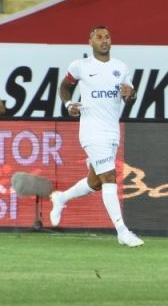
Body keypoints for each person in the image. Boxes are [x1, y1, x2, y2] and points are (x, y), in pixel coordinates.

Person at [49, 25, 144, 248]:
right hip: (91, 131)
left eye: (107, 37)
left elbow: (129, 97)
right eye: (99, 37)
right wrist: (69, 104)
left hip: (112, 131)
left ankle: (61, 198)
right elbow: (64, 87)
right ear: (90, 41)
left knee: (95, 182)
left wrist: (132, 94)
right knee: (109, 176)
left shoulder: (121, 67)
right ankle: (122, 231)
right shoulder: (80, 66)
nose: (104, 40)